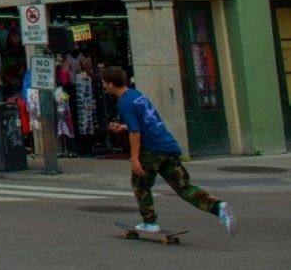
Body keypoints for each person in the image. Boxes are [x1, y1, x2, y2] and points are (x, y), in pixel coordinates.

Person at [101, 66, 235, 235]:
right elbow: (147, 121)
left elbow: (136, 133)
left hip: (151, 149)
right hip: (167, 145)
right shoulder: (137, 95)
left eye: (105, 84)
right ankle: (218, 208)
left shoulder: (124, 102)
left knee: (140, 185)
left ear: (112, 85)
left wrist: (134, 158)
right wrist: (123, 127)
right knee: (183, 186)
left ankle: (149, 222)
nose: (105, 87)